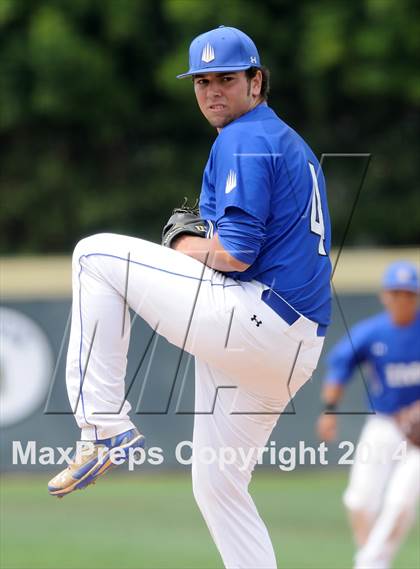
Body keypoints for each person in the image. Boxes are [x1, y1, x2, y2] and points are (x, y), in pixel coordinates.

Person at [49, 25, 331, 568]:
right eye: (202, 81)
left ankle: (102, 427)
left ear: (257, 80)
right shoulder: (284, 140)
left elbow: (237, 254)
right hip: (289, 347)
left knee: (94, 255)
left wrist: (183, 243)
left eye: (226, 78)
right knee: (218, 487)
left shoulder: (245, 138)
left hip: (256, 317)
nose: (212, 91)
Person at [317, 260, 420, 569]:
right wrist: (329, 411)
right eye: (396, 292)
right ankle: (373, 559)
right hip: (384, 423)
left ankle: (369, 564)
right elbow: (339, 367)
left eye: (408, 293)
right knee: (359, 501)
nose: (402, 299)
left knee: (400, 502)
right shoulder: (373, 333)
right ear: (384, 296)